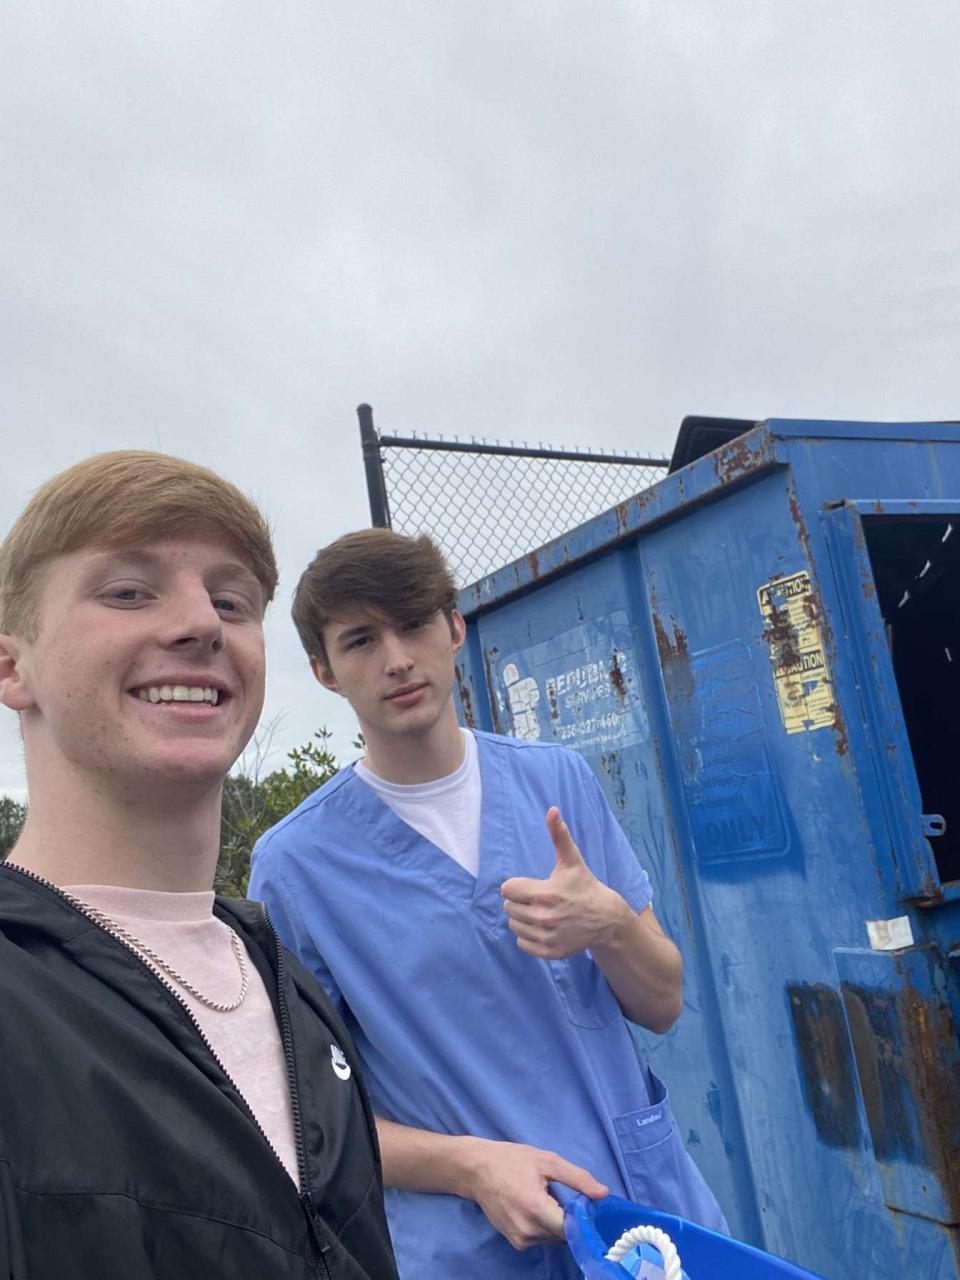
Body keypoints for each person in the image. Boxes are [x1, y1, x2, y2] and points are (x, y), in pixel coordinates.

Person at [249, 528, 725, 1278]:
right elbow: (308, 1120)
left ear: (454, 629)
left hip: (642, 1223)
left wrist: (608, 924)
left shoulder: (556, 783)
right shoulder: (298, 866)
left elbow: (663, 1003)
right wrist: (470, 1167)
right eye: (361, 640)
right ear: (324, 672)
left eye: (414, 624)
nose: (397, 659)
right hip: (475, 1247)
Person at [0, 453, 399, 1280]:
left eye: (231, 601)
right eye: (128, 592)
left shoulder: (287, 986)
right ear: (12, 667)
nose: (201, 624)